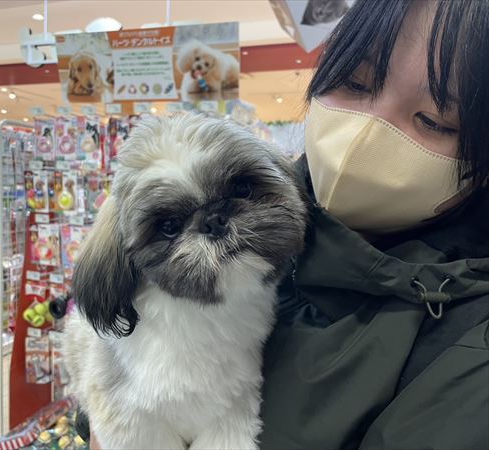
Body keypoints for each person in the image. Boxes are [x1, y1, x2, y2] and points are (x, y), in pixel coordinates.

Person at [78, 0, 489, 448]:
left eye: (433, 120)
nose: (369, 131)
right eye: (354, 82)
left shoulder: (470, 347)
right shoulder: (281, 205)